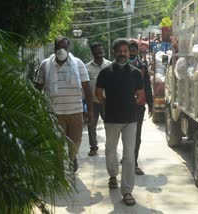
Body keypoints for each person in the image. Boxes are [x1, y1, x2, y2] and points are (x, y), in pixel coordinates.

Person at [95, 38, 144, 206]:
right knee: (110, 150)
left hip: (130, 120)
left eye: (125, 51)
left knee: (129, 156)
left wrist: (129, 105)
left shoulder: (135, 72)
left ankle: (127, 190)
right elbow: (98, 93)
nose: (123, 54)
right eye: (119, 51)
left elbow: (140, 95)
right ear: (114, 52)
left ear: (129, 52)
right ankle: (113, 174)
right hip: (111, 119)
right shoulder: (105, 72)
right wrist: (109, 105)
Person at [35, 37, 93, 173]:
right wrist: (37, 106)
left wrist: (90, 110)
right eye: (59, 47)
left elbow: (87, 87)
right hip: (54, 112)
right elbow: (38, 86)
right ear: (54, 49)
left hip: (75, 111)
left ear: (69, 49)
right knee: (57, 143)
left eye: (64, 48)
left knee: (76, 141)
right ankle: (59, 169)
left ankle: (72, 158)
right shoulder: (45, 65)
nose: (62, 50)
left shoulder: (78, 64)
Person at [129, 40, 153, 175]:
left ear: (137, 51)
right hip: (124, 106)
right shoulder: (120, 66)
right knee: (127, 135)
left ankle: (134, 162)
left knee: (137, 135)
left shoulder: (142, 66)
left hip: (138, 106)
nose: (132, 53)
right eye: (130, 50)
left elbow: (147, 85)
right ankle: (128, 157)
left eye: (134, 50)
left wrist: (151, 103)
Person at [85, 42, 112, 156]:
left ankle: (110, 146)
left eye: (101, 49)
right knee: (91, 125)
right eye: (97, 50)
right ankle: (93, 147)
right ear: (93, 52)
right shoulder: (87, 67)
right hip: (93, 102)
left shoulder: (110, 65)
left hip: (108, 102)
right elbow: (85, 86)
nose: (100, 51)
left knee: (110, 125)